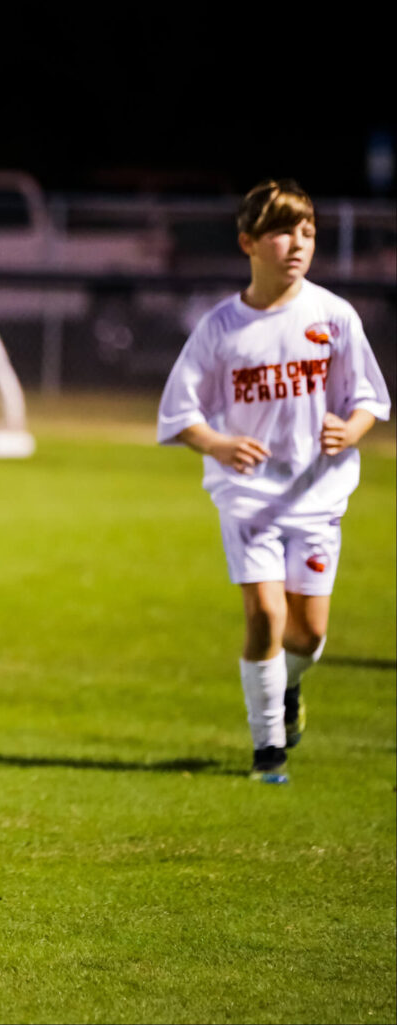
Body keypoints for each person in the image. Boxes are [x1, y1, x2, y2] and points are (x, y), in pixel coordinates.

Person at [157, 179, 390, 784]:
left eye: (308, 232)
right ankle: (267, 752)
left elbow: (369, 398)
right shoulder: (220, 329)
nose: (298, 244)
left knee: (308, 634)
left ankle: (287, 689)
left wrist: (352, 429)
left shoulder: (334, 317)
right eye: (283, 231)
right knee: (263, 613)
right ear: (248, 243)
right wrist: (220, 443)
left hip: (317, 495)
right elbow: (180, 414)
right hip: (249, 498)